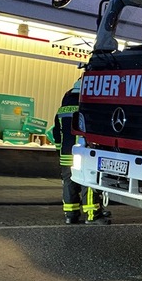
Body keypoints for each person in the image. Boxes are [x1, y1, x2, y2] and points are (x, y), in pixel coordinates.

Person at [53, 79, 111, 225]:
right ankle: (93, 215)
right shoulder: (86, 107)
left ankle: (70, 215)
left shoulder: (62, 109)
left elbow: (56, 133)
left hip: (66, 153)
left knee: (68, 182)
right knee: (88, 181)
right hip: (83, 152)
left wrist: (59, 149)